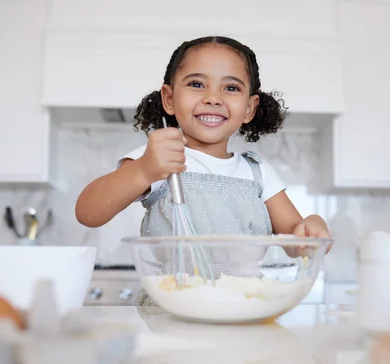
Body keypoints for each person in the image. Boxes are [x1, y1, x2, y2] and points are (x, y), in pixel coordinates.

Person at [75, 36, 332, 303]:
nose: (213, 98)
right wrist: (143, 171)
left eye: (231, 88)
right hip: (172, 311)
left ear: (249, 108)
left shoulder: (258, 173)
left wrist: (312, 228)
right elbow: (88, 213)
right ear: (169, 99)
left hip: (243, 308)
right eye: (196, 84)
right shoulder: (158, 158)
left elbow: (295, 239)